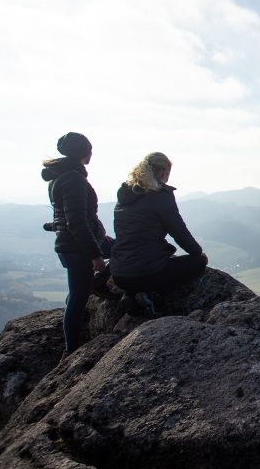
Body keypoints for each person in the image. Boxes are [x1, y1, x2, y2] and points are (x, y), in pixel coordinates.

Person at [42, 132, 115, 354]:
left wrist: (53, 226)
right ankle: (71, 350)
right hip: (79, 247)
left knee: (126, 248)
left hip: (77, 244)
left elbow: (65, 217)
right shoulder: (73, 179)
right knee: (77, 298)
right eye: (89, 150)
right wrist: (95, 256)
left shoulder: (61, 177)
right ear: (84, 152)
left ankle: (98, 282)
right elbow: (76, 222)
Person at [109, 152, 207, 315]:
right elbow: (178, 231)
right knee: (197, 262)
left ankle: (131, 294)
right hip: (147, 272)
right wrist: (197, 253)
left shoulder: (125, 196)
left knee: (144, 262)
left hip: (119, 273)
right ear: (163, 172)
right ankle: (150, 295)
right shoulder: (160, 195)